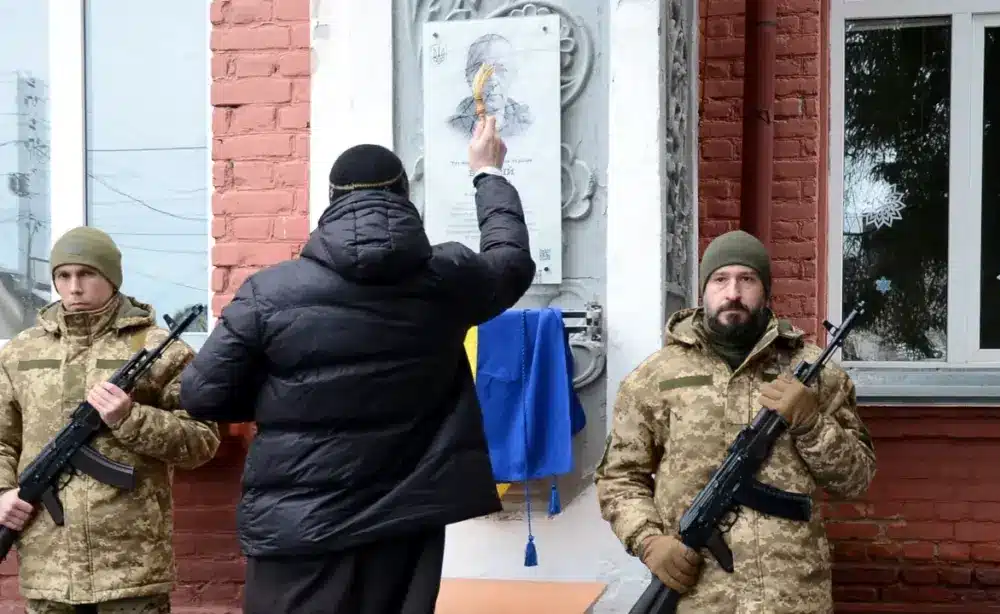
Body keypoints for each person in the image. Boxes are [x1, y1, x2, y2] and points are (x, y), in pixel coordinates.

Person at [179, 115, 535, 614]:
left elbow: (201, 395)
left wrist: (280, 396)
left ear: (331, 202)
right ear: (405, 196)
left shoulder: (269, 293)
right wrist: (487, 173)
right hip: (405, 523)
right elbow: (511, 262)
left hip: (298, 527)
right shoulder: (447, 279)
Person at [595, 230, 877, 613]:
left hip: (791, 599)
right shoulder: (655, 377)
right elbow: (620, 477)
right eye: (720, 279)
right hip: (698, 599)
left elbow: (855, 480)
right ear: (704, 290)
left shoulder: (816, 374)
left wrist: (810, 423)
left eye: (747, 279)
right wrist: (649, 541)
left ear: (766, 291)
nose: (733, 293)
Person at [0, 227, 221, 614]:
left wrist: (129, 418)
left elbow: (201, 441)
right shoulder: (20, 352)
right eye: (63, 276)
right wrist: (2, 492)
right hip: (49, 567)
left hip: (131, 566)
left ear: (111, 278)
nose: (74, 288)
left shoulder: (160, 349)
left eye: (86, 274)